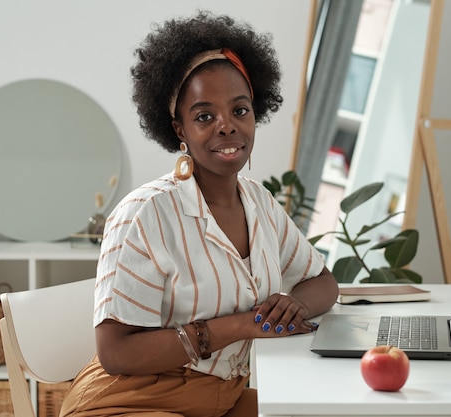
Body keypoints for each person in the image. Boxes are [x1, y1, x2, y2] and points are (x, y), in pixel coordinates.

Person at [60, 10, 339, 417]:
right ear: (179, 130)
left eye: (240, 111)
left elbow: (323, 284)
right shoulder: (146, 214)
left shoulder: (259, 202)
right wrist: (242, 324)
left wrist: (290, 305)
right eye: (204, 116)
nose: (227, 127)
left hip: (218, 398)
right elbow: (116, 354)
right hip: (130, 401)